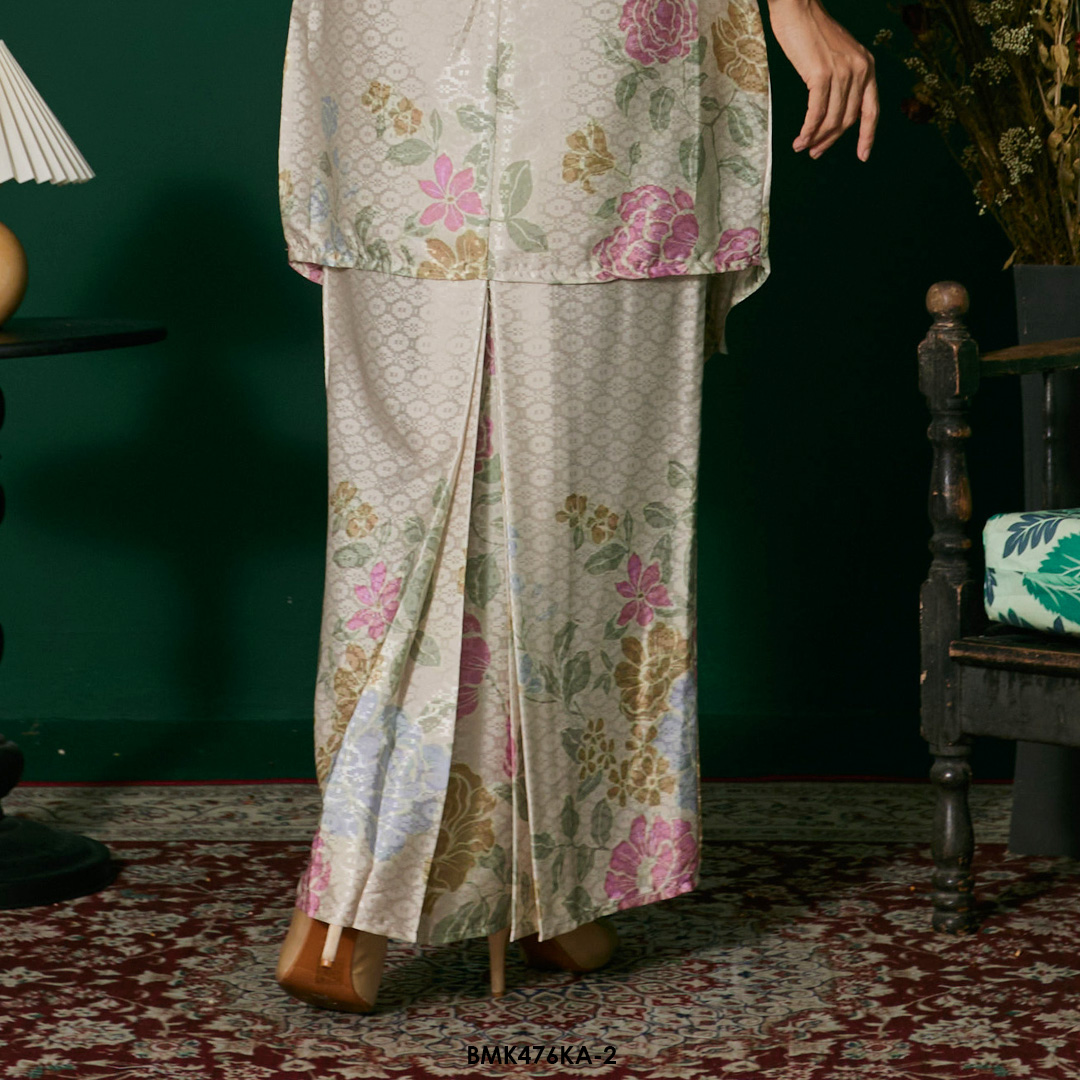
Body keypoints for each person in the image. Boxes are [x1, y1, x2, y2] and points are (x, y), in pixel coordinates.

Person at [274, 0, 878, 1012]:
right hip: (581, 66)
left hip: (407, 67)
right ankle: (364, 890)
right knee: (555, 492)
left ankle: (541, 875)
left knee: (475, 494)